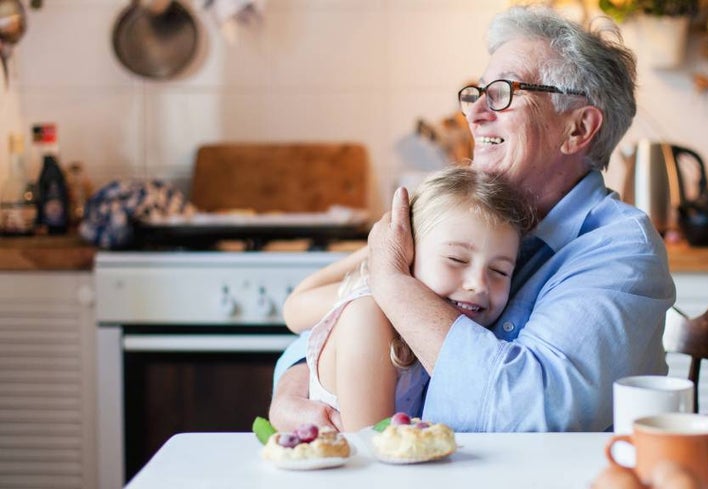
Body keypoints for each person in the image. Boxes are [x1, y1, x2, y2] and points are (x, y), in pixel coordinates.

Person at [270, 5, 675, 432]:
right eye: (476, 92)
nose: (475, 112)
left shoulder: (620, 250)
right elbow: (335, 324)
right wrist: (295, 387)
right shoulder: (468, 222)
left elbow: (528, 416)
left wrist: (393, 285)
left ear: (577, 129)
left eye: (502, 92)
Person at [285, 166, 535, 431]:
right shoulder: (368, 314)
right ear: (410, 252)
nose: (478, 284)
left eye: (499, 271)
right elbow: (374, 446)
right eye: (456, 259)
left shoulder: (463, 334)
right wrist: (379, 251)